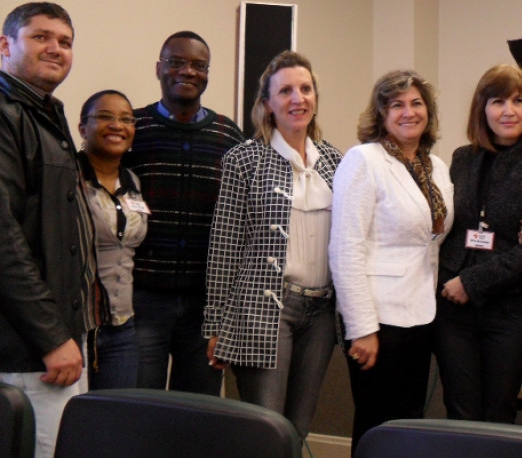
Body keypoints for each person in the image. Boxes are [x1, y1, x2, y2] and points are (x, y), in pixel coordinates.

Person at [203, 51, 342, 442]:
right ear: (267, 104)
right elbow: (224, 245)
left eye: (305, 89)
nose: (298, 99)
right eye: (285, 91)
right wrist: (215, 323)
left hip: (322, 312)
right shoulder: (244, 159)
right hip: (267, 308)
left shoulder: (336, 161)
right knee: (264, 428)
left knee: (298, 429)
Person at [329, 70, 454, 454]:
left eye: (417, 103)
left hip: (422, 313)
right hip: (378, 320)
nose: (408, 112)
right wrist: (361, 327)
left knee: (408, 423)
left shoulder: (437, 167)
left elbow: (436, 239)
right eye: (396, 104)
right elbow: (345, 246)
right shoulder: (364, 160)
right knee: (376, 425)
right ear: (381, 114)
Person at [435, 64, 522, 423]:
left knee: (497, 413)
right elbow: (450, 228)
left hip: (508, 312)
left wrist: (471, 283)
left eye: (519, 100)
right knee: (460, 412)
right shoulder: (462, 158)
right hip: (453, 311)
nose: (508, 111)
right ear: (483, 108)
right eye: (498, 101)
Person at [0, 2, 98, 457]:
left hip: (50, 340)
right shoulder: (6, 113)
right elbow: (4, 240)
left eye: (65, 41)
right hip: (26, 350)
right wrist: (52, 337)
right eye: (41, 37)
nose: (56, 49)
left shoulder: (43, 112)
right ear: (5, 46)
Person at [121, 31, 244, 395]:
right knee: (138, 407)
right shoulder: (133, 128)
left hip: (206, 305)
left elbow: (239, 221)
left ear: (208, 73)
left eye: (198, 65)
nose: (187, 71)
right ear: (159, 68)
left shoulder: (229, 135)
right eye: (176, 62)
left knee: (197, 413)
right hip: (144, 299)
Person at [77, 90, 149, 390]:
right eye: (105, 116)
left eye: (126, 119)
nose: (117, 125)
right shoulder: (69, 177)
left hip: (123, 329)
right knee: (70, 424)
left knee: (115, 423)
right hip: (77, 328)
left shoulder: (133, 182)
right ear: (83, 128)